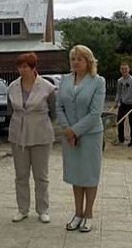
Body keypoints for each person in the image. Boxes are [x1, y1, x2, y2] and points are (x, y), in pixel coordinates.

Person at [56, 45, 105, 232]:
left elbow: (95, 113)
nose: (75, 62)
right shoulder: (65, 80)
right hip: (69, 137)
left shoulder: (97, 82)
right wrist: (67, 130)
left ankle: (89, 214)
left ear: (88, 61)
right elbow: (59, 107)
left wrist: (75, 131)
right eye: (73, 59)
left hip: (90, 136)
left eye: (79, 59)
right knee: (76, 175)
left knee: (89, 176)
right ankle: (77, 213)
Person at [7, 53, 56, 224]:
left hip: (41, 134)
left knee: (41, 175)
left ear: (34, 68)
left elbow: (54, 112)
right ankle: (22, 209)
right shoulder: (12, 87)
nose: (22, 70)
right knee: (21, 175)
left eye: (25, 66)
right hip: (18, 134)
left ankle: (43, 209)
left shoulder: (47, 87)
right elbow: (10, 110)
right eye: (19, 66)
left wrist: (39, 123)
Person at [114, 62, 132, 146]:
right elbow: (118, 93)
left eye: (126, 69)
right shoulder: (119, 81)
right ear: (120, 70)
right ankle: (121, 139)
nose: (124, 70)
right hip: (123, 103)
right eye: (122, 69)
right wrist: (116, 102)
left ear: (129, 69)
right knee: (119, 121)